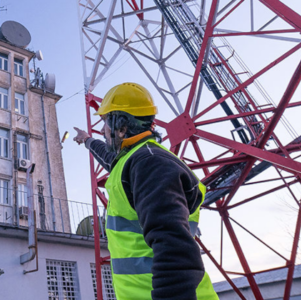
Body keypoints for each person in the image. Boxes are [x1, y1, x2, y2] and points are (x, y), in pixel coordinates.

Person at [73, 82, 219, 300]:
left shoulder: (150, 164)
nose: (102, 130)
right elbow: (110, 158)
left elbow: (174, 248)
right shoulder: (136, 160)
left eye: (105, 122)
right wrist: (87, 140)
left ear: (121, 128)